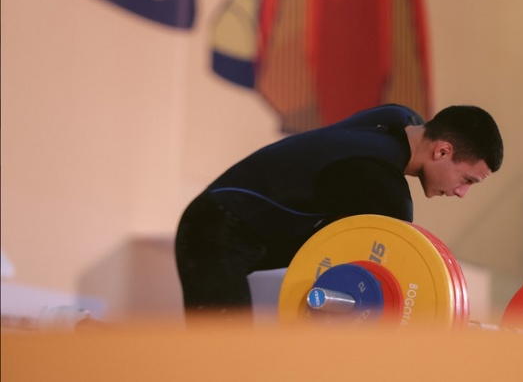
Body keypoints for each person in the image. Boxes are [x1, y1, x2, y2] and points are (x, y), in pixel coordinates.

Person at [174, 104, 503, 324]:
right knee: (223, 362)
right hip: (217, 228)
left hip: (226, 218)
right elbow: (399, 277)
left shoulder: (401, 119)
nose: (462, 193)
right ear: (442, 150)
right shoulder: (382, 188)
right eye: (467, 180)